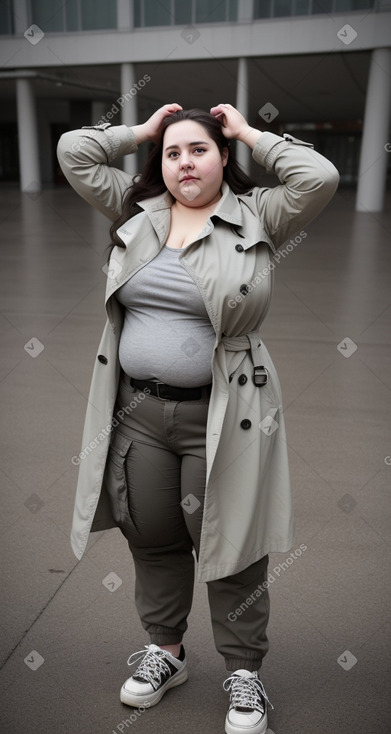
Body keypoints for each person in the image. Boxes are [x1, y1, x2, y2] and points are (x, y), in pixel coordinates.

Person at [57, 102, 339, 734]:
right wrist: (141, 131)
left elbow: (318, 175)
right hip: (139, 412)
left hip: (227, 415)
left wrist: (247, 131)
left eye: (201, 150)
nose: (185, 162)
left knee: (233, 543)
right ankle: (167, 651)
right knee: (151, 534)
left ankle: (244, 671)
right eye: (173, 153)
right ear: (161, 163)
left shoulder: (258, 214)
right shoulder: (139, 215)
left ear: (223, 159)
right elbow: (75, 151)